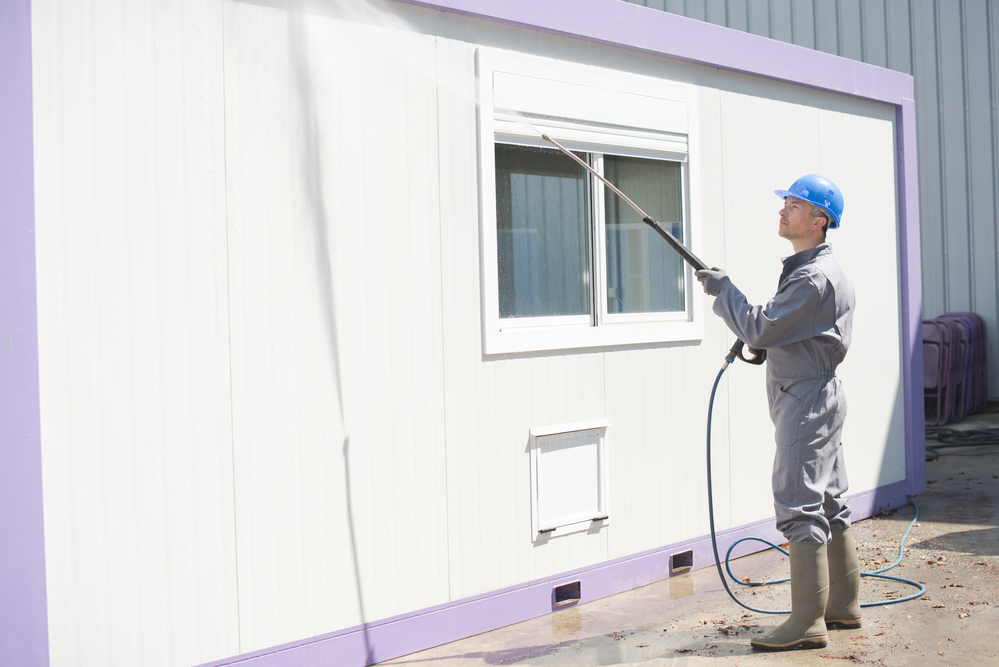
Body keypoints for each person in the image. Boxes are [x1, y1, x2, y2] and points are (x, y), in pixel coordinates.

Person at [695, 174, 860, 652]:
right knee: (829, 498)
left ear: (819, 220)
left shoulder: (812, 277)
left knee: (798, 503)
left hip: (806, 402)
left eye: (794, 204)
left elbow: (759, 327)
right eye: (784, 203)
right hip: (817, 395)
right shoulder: (814, 270)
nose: (783, 211)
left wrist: (723, 291)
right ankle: (843, 606)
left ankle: (806, 622)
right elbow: (791, 330)